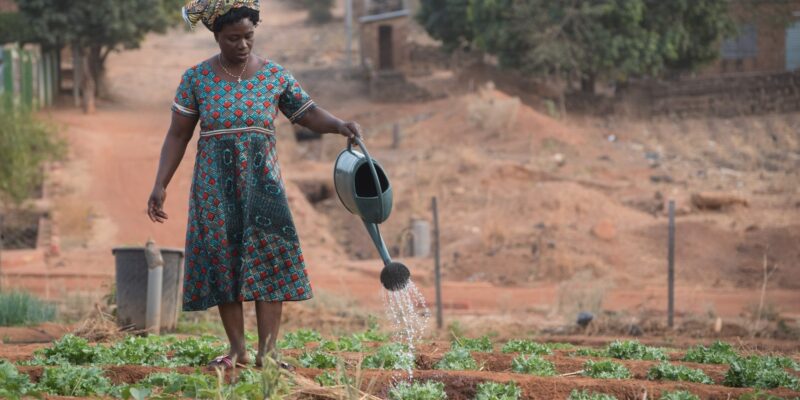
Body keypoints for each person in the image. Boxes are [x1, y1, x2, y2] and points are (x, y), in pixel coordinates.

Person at [146, 0, 362, 369]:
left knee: (271, 263)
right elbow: (177, 135)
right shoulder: (196, 79)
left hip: (264, 187)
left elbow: (307, 113)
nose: (243, 45)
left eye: (248, 36)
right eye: (233, 38)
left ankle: (269, 353)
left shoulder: (275, 76)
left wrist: (340, 124)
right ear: (216, 36)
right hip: (214, 189)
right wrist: (160, 184)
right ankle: (237, 351)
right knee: (223, 262)